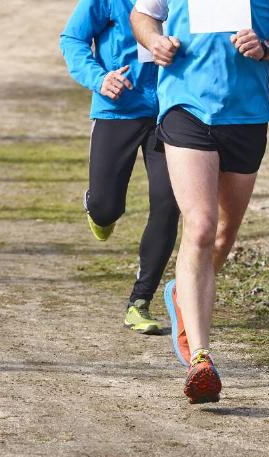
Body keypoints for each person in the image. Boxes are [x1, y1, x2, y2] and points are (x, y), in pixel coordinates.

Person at [131, 0, 269, 403]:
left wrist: (267, 47)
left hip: (246, 116)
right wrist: (155, 42)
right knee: (200, 225)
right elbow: (142, 17)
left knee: (224, 234)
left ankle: (183, 293)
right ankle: (201, 356)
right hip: (185, 109)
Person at [60, 0, 180, 335]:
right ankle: (96, 208)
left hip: (172, 111)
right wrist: (99, 79)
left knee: (168, 203)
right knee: (106, 206)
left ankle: (140, 301)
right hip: (118, 106)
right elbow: (72, 39)